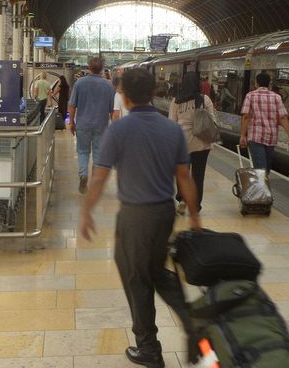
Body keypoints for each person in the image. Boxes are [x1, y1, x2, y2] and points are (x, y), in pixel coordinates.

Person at [79, 68, 200, 368]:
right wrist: (194, 216)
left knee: (136, 277)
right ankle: (191, 320)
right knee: (151, 270)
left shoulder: (119, 130)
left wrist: (86, 212)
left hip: (136, 215)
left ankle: (149, 347)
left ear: (125, 95)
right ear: (153, 93)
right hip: (164, 213)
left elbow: (100, 176)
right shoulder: (171, 129)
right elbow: (185, 177)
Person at [169, 71, 215, 215]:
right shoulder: (204, 99)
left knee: (182, 173)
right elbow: (213, 120)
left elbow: (171, 123)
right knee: (198, 175)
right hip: (202, 142)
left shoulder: (176, 101)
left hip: (182, 142)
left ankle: (182, 200)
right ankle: (195, 205)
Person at [68, 57, 115, 193]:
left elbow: (72, 106)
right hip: (101, 125)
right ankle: (95, 181)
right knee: (98, 154)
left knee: (83, 152)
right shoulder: (108, 85)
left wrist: (71, 122)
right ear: (102, 69)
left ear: (88, 67)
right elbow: (112, 110)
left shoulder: (80, 83)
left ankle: (83, 175)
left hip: (83, 124)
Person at [239, 72, 289, 173]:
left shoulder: (250, 96)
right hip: (271, 138)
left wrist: (243, 135)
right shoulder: (276, 97)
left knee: (261, 170)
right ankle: (263, 186)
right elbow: (283, 117)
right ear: (269, 84)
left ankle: (261, 187)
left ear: (256, 83)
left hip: (255, 137)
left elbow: (246, 116)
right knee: (266, 170)